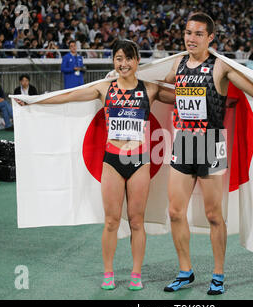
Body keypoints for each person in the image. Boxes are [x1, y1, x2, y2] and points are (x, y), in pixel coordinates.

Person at [15, 40, 175, 291]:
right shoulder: (104, 88)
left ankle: (136, 273)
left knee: (136, 221)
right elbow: (68, 96)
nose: (123, 64)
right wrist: (36, 101)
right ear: (113, 61)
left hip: (139, 161)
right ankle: (108, 272)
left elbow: (184, 98)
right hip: (112, 161)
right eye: (118, 58)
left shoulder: (150, 89)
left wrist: (212, 91)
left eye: (128, 58)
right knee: (111, 221)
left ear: (137, 62)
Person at [163, 12, 253, 295]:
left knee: (214, 215)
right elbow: (164, 91)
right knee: (175, 211)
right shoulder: (178, 64)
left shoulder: (220, 67)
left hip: (211, 145)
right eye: (188, 32)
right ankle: (185, 271)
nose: (191, 38)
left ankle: (218, 275)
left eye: (198, 34)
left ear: (210, 37)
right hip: (184, 144)